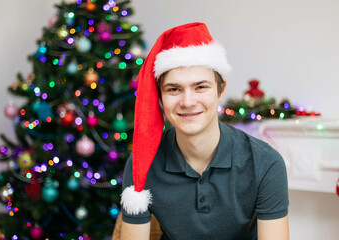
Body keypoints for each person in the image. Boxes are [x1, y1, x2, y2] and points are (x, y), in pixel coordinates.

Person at [120, 22, 289, 240]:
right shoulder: (141, 163)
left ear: (221, 90)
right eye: (174, 89)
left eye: (201, 87)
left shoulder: (266, 162)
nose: (188, 102)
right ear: (160, 97)